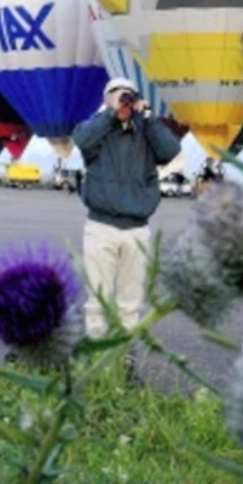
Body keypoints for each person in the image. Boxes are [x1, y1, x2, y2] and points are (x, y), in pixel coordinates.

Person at [73, 77, 181, 341]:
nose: (125, 101)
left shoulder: (145, 133)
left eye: (129, 96)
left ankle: (124, 361)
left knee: (130, 303)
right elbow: (82, 140)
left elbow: (170, 151)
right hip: (100, 228)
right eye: (119, 95)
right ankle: (97, 363)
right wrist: (110, 113)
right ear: (107, 98)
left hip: (137, 229)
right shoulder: (96, 132)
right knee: (97, 300)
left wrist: (148, 118)